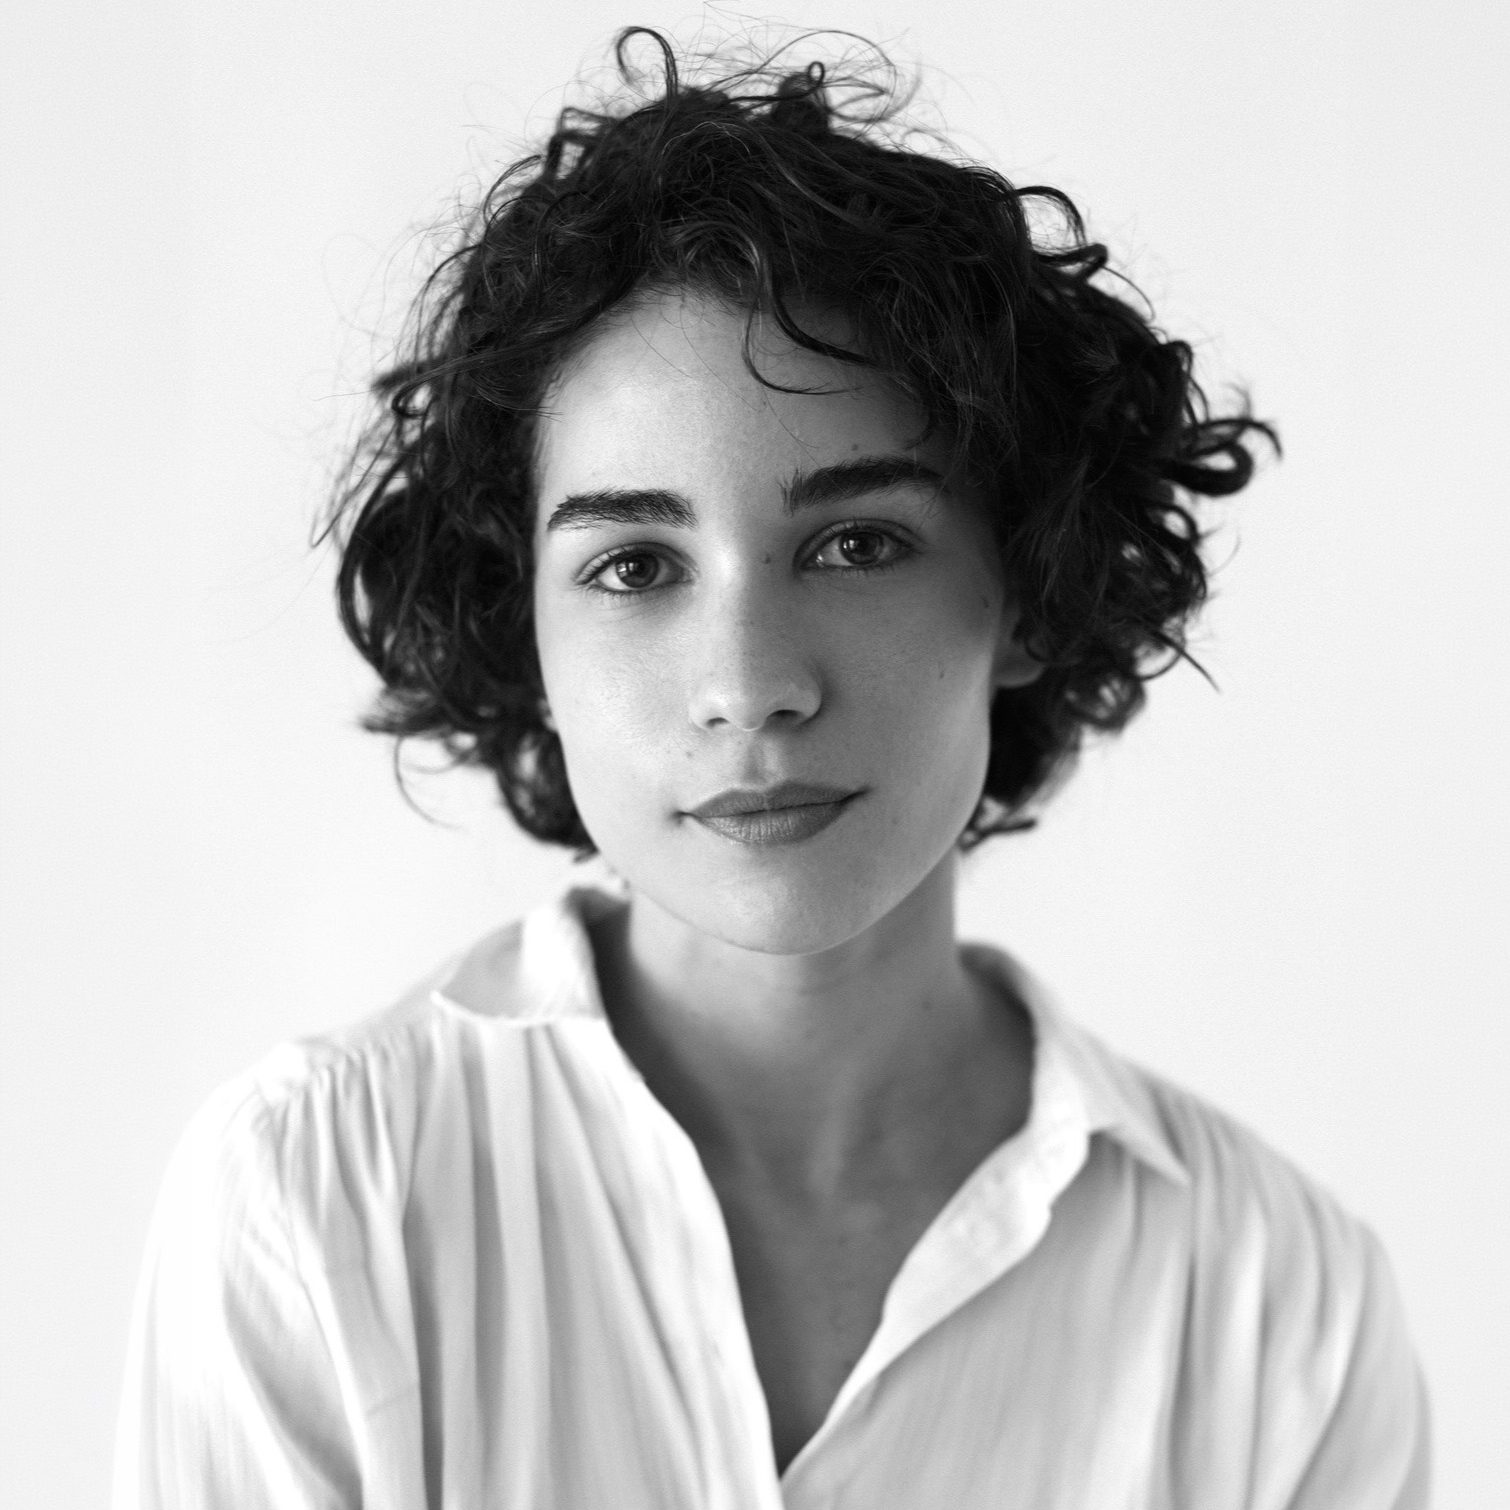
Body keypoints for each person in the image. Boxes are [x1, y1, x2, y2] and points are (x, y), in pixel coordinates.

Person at [113, 27, 1429, 1509]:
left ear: (1023, 587)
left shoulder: (1277, 1305)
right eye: (632, 565)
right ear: (522, 626)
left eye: (856, 543)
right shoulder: (313, 1199)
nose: (749, 684)